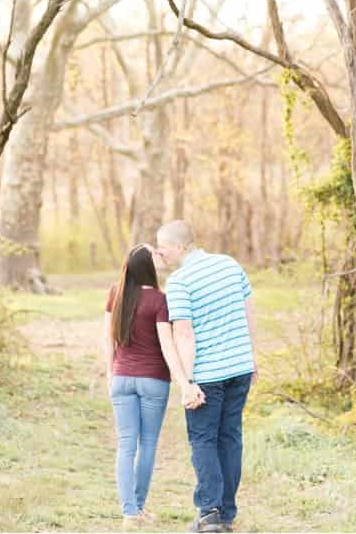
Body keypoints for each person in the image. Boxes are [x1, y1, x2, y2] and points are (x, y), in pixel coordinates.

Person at [155, 220, 258, 533]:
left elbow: (184, 336)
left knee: (203, 439)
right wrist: (251, 357)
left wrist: (186, 383)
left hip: (208, 375)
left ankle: (210, 513)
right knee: (230, 437)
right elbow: (248, 311)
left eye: (162, 247)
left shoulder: (180, 281)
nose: (160, 253)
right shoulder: (229, 265)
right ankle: (226, 513)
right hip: (239, 368)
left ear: (179, 246)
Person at [102, 243, 207, 528]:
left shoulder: (116, 294)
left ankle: (130, 511)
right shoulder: (160, 300)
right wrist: (182, 380)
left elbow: (107, 339)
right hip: (153, 381)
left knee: (125, 444)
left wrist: (110, 374)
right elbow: (166, 344)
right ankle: (137, 508)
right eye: (155, 254)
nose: (160, 256)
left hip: (121, 379)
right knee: (146, 444)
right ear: (148, 265)